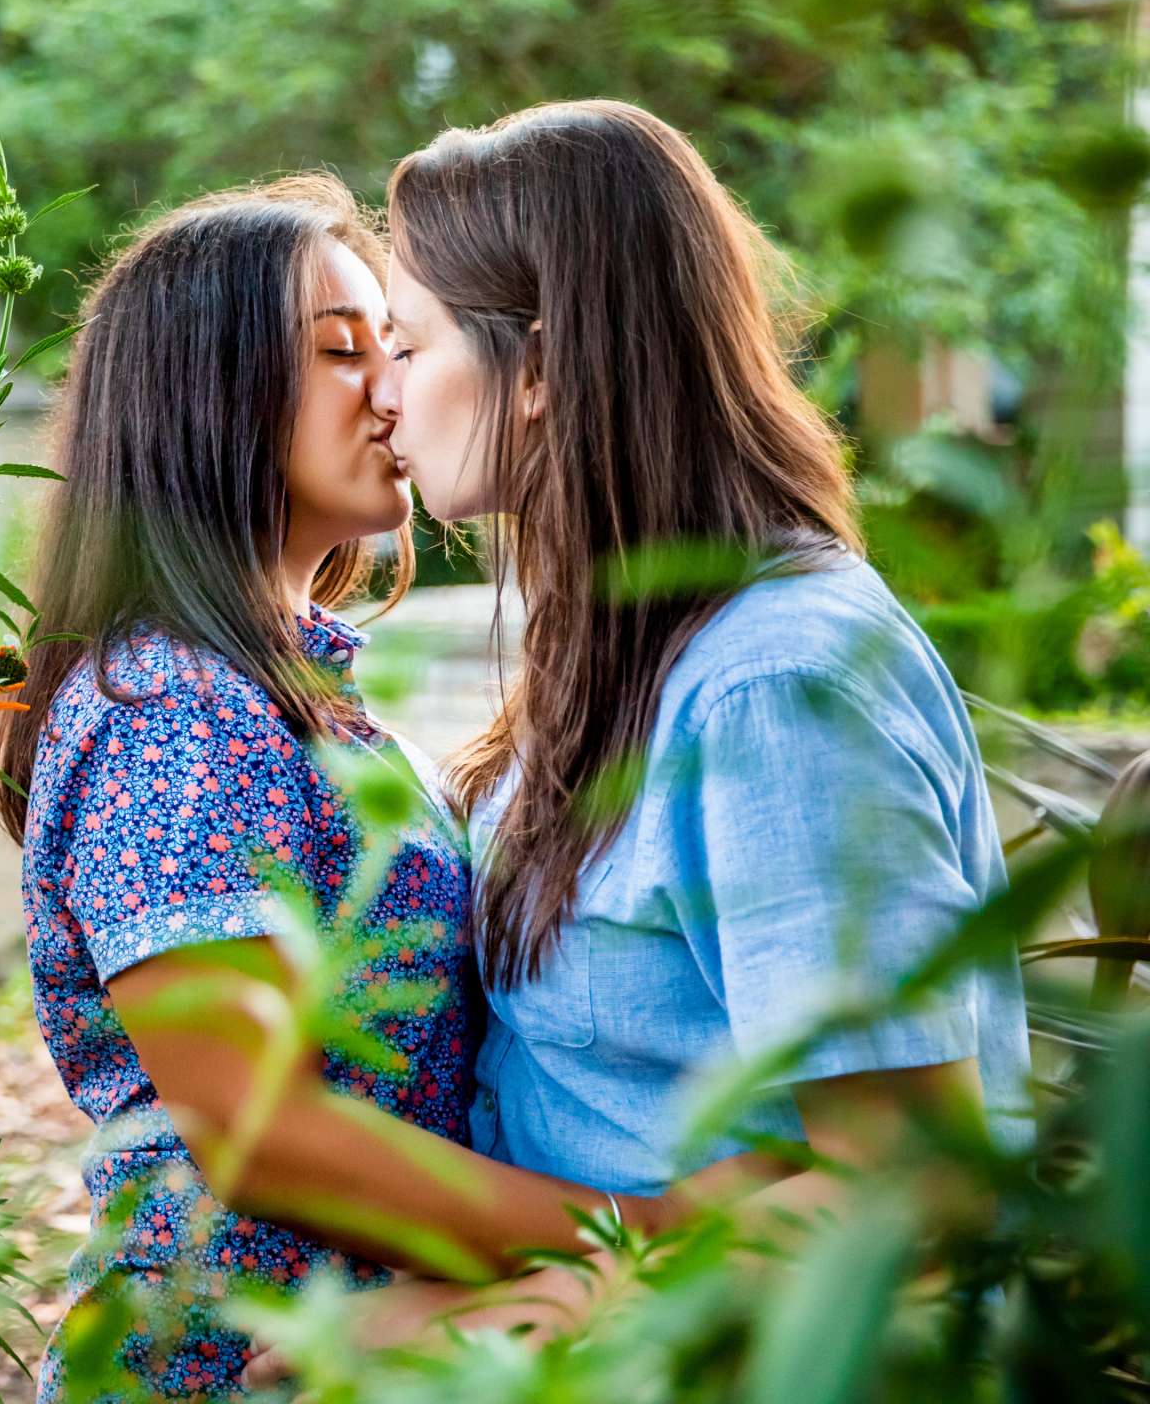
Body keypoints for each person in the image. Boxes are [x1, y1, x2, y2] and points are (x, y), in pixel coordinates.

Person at [0, 175, 710, 1401]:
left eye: (398, 344)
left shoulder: (284, 690)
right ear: (205, 392)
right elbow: (266, 1130)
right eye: (342, 351)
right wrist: (637, 1237)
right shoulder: (170, 711)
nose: (397, 390)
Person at [364, 98, 1032, 1327]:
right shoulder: (636, 638)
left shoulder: (775, 688)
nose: (383, 397)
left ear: (544, 367)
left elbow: (911, 1203)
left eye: (407, 345)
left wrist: (513, 1310)